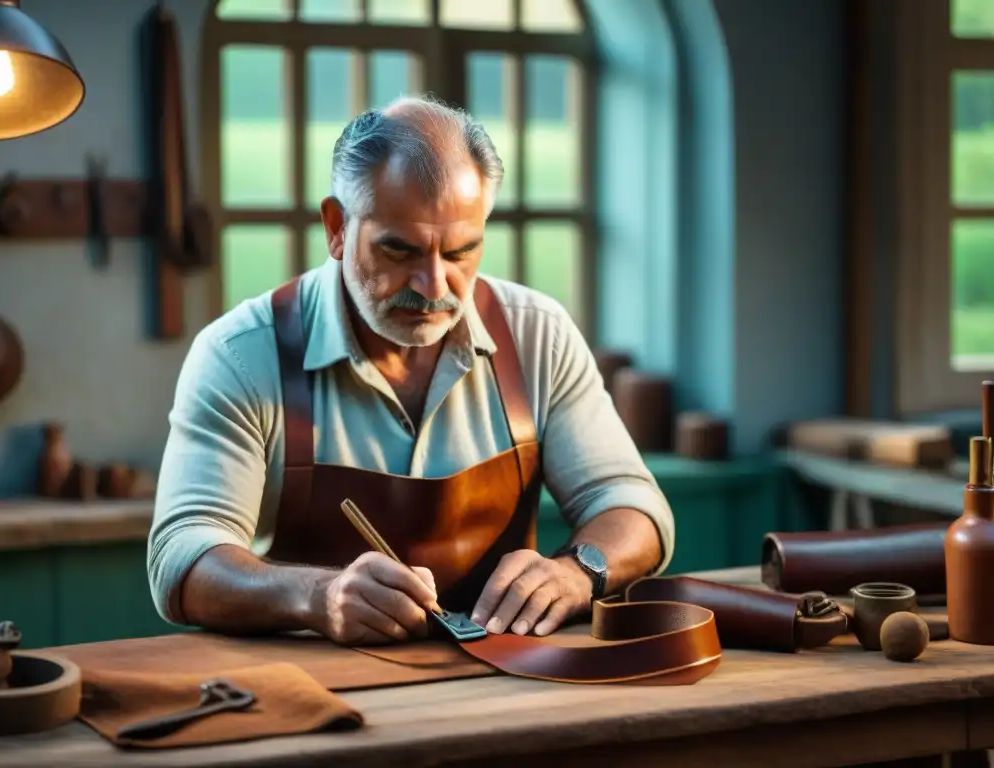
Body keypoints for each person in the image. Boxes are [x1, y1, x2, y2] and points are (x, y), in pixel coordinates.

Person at [147, 95, 675, 646]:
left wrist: (577, 571)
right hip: (316, 687)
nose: (434, 287)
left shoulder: (536, 335)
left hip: (506, 679)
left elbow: (634, 507)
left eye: (460, 252)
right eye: (399, 252)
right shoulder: (241, 354)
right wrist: (315, 596)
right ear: (335, 227)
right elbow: (182, 560)